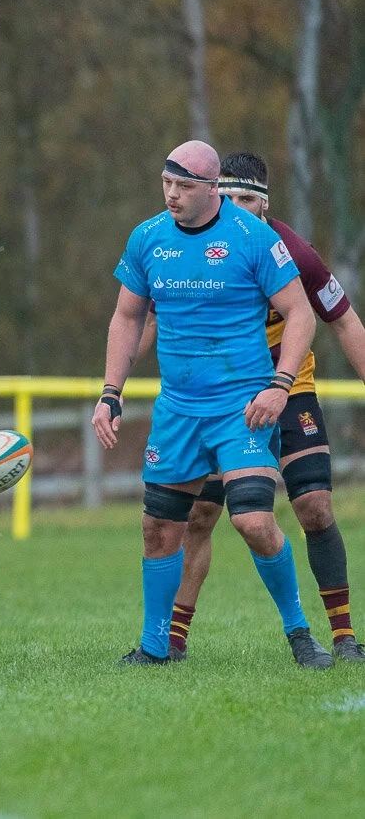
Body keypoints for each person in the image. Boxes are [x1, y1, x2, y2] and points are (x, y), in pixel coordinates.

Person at [92, 140, 332, 668]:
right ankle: (156, 647)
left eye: (182, 187)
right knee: (159, 529)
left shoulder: (254, 237)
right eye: (166, 184)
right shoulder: (148, 238)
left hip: (240, 407)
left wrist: (280, 384)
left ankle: (299, 633)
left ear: (211, 188)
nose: (171, 195)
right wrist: (111, 393)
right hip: (178, 409)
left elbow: (301, 314)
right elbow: (128, 317)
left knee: (252, 521)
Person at [149, 153, 363, 663]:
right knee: (200, 513)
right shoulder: (192, 246)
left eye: (247, 199)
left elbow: (346, 323)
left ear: (265, 206)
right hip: (224, 395)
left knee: (314, 506)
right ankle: (172, 642)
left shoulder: (295, 254)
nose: (235, 208)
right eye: (229, 198)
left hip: (289, 389)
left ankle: (345, 637)